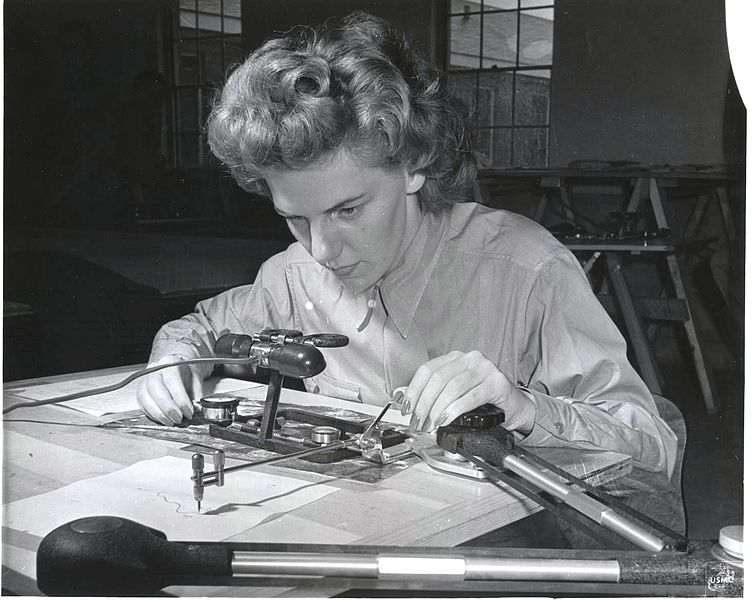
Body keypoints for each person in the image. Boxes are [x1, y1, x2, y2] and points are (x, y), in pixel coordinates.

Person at [137, 13, 678, 503]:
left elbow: (654, 450)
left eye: (348, 209)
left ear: (413, 165)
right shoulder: (291, 277)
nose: (321, 250)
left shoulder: (527, 269)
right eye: (296, 218)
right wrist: (170, 364)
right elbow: (199, 327)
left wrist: (526, 408)